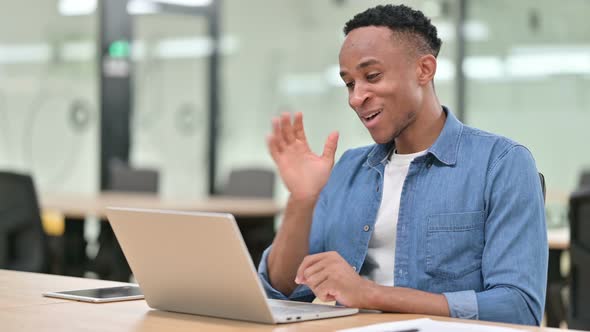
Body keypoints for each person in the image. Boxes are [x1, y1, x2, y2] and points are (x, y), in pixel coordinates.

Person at [258, 4, 547, 326]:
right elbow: (282, 290)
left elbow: (519, 307)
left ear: (424, 70)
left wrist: (369, 294)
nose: (356, 97)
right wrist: (302, 200)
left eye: (372, 76)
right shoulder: (349, 168)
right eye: (350, 83)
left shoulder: (501, 163)